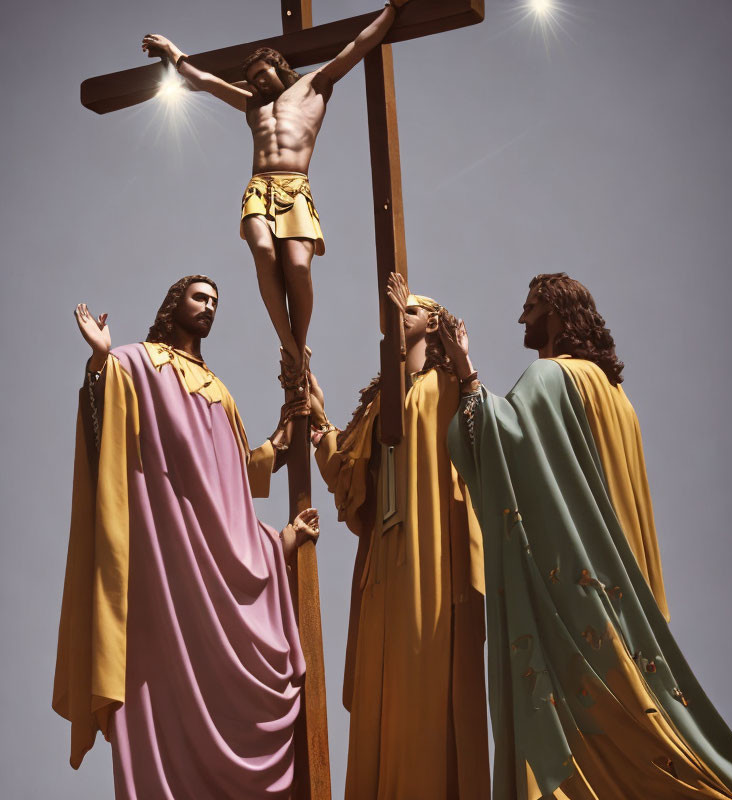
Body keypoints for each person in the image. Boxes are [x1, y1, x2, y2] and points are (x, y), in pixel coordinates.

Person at [445, 272, 732, 799]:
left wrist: (466, 377)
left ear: (557, 312)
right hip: (634, 600)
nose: (522, 318)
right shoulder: (620, 399)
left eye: (531, 307)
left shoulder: (550, 378)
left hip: (584, 592)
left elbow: (500, 439)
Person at [53, 275, 320, 799]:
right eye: (200, 297)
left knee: (240, 696)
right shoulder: (136, 363)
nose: (209, 307)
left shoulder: (221, 392)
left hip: (217, 565)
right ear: (175, 304)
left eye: (216, 301)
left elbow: (234, 484)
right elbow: (101, 432)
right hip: (167, 558)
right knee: (157, 690)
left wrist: (276, 531)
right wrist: (99, 365)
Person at [141, 0, 411, 411]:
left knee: (298, 266)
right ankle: (290, 347)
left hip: (295, 187)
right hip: (258, 188)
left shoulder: (315, 85)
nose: (257, 84)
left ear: (278, 66)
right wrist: (174, 54)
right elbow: (206, 82)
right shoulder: (252, 105)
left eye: (261, 74)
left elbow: (358, 45)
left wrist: (392, 10)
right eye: (250, 79)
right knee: (265, 253)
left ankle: (295, 352)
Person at [309, 273, 490, 799]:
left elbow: (484, 441)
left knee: (427, 687)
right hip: (383, 564)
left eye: (409, 310)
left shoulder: (448, 385)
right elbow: (346, 474)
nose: (398, 313)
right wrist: (318, 416)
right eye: (397, 309)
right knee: (379, 693)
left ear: (433, 324)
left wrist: (465, 364)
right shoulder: (379, 404)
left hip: (434, 551)